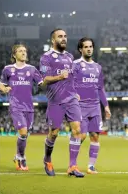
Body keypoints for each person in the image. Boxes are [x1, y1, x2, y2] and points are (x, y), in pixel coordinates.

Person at [40, 28, 84, 177]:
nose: (63, 38)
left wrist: (75, 91)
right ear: (53, 40)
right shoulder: (46, 57)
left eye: (65, 36)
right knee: (53, 133)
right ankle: (47, 159)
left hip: (71, 97)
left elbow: (71, 77)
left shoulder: (70, 56)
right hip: (55, 99)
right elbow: (44, 80)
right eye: (60, 36)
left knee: (77, 129)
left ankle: (73, 166)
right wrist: (59, 77)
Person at [0, 44, 43, 171]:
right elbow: (1, 84)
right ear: (14, 55)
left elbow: (42, 83)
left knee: (24, 135)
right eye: (20, 51)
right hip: (15, 105)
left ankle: (17, 155)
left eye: (25, 51)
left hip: (29, 107)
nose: (24, 53)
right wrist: (4, 88)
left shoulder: (32, 69)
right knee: (23, 132)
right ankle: (22, 158)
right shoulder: (8, 69)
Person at [73, 37, 111, 174]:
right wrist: (72, 94)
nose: (89, 49)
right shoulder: (75, 65)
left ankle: (91, 166)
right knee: (81, 136)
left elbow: (100, 88)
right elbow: (68, 83)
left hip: (95, 107)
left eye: (90, 47)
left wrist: (105, 106)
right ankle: (73, 164)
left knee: (95, 136)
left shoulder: (98, 67)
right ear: (80, 49)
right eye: (86, 47)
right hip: (80, 106)